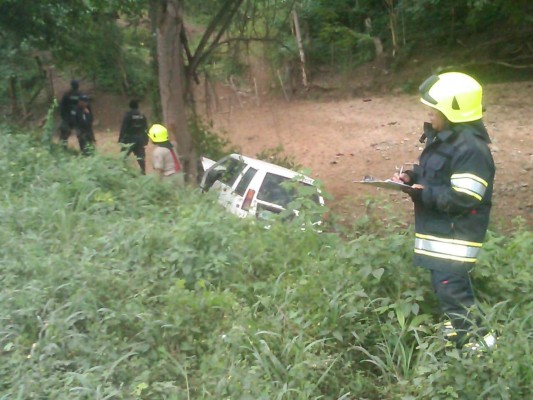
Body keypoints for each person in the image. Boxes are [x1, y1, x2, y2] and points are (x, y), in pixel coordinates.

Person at [392, 72, 496, 351]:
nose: (429, 113)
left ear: (453, 111)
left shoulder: (471, 149)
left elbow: (465, 197)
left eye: (434, 109)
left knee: (454, 291)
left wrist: (423, 194)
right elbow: (437, 176)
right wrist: (412, 177)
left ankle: (482, 349)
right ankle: (457, 340)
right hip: (441, 234)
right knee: (446, 290)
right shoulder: (445, 140)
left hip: (456, 237)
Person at [119, 100, 149, 174]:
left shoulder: (128, 115)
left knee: (124, 156)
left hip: (129, 139)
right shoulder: (142, 115)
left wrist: (121, 139)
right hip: (139, 138)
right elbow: (145, 128)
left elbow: (124, 127)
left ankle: (123, 171)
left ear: (130, 106)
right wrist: (146, 139)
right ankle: (143, 172)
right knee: (141, 156)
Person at [59, 80, 81, 148]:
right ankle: (85, 151)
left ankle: (63, 149)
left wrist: (63, 117)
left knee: (64, 135)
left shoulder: (67, 94)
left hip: (67, 118)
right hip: (77, 118)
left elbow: (62, 106)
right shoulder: (80, 95)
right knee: (81, 135)